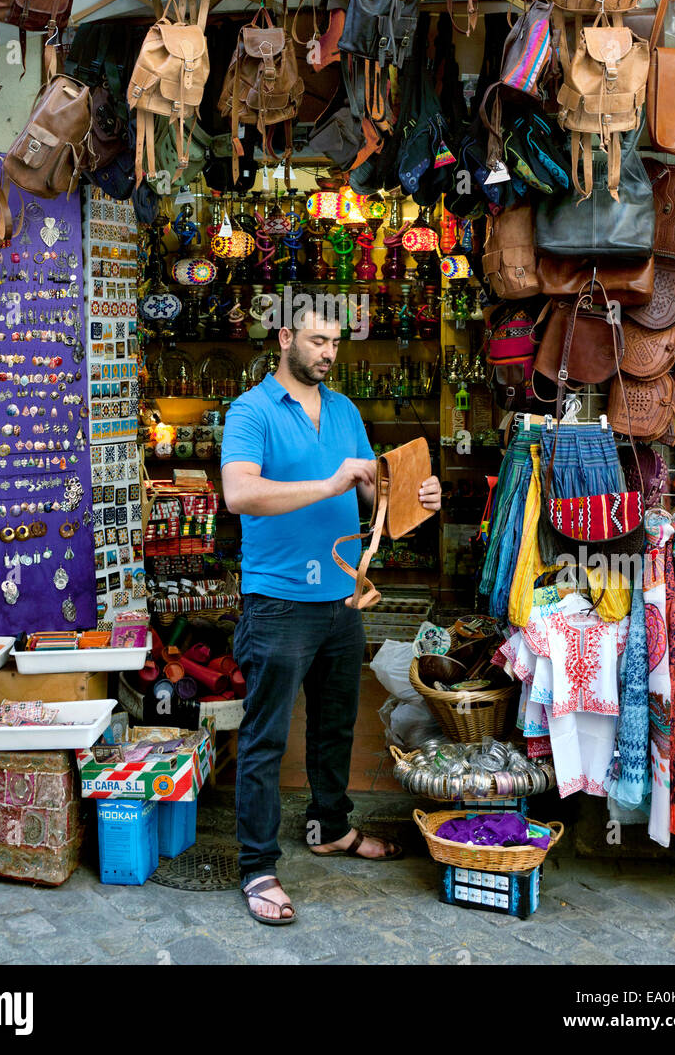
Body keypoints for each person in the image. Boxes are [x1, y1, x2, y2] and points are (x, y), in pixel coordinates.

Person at [221, 294, 442, 925]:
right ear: (285, 336)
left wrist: (412, 495)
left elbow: (375, 495)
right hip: (278, 600)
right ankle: (257, 868)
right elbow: (239, 493)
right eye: (318, 341)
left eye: (336, 343)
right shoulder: (252, 411)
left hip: (341, 597)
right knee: (265, 739)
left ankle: (331, 827)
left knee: (335, 726)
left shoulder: (344, 410)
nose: (329, 354)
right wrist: (327, 485)